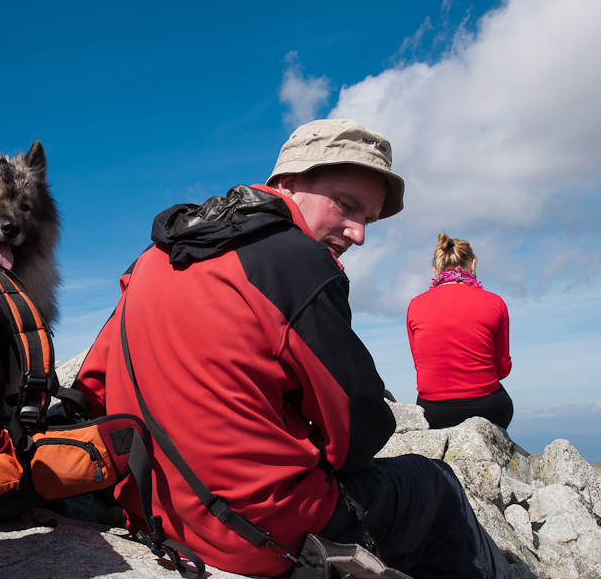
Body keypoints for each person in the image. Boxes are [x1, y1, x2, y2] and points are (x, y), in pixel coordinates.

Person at [73, 119, 514, 578]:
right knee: (435, 484)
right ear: (287, 182)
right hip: (256, 534)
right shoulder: (298, 263)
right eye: (346, 205)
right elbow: (357, 433)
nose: (358, 232)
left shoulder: (155, 256)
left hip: (150, 512)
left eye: (368, 217)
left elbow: (93, 383)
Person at [406, 233, 514, 430]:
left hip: (434, 411)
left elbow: (420, 365)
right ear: (473, 265)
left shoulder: (415, 305)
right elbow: (502, 369)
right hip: (487, 407)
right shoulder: (494, 302)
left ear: (435, 271)